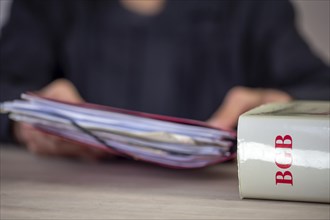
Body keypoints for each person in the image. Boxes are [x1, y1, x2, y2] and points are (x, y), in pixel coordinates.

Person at [0, 0, 329, 161]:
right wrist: (28, 120)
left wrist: (276, 107)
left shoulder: (254, 8)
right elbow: (6, 85)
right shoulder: (45, 5)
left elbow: (320, 88)